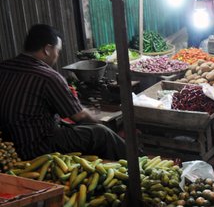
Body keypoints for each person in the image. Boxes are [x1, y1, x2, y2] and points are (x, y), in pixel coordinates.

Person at [0, 24, 126, 160]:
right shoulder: (48, 76)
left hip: (8, 146)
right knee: (101, 134)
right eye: (58, 51)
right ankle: (138, 167)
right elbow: (80, 117)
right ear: (47, 49)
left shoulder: (3, 67)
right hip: (37, 147)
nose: (57, 56)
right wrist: (101, 123)